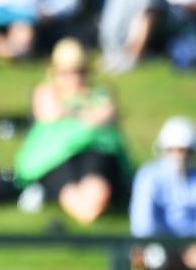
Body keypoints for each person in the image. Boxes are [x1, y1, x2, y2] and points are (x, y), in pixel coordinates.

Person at [14, 38, 131, 225]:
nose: (74, 78)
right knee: (75, 198)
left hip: (95, 154)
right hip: (55, 159)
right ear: (55, 72)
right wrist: (84, 112)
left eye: (79, 71)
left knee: (95, 193)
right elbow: (49, 112)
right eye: (66, 72)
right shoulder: (46, 91)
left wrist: (69, 112)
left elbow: (106, 114)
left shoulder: (101, 92)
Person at [129, 116, 196, 270]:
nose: (179, 156)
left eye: (184, 150)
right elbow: (143, 220)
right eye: (174, 150)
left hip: (195, 245)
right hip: (159, 243)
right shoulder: (149, 176)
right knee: (153, 258)